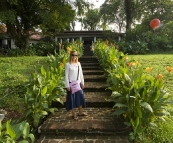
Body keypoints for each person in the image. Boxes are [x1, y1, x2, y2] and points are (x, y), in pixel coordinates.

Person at [65, 50, 88, 120]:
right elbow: (66, 76)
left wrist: (82, 82)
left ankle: (80, 112)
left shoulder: (78, 64)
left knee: (80, 97)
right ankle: (73, 114)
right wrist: (67, 86)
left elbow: (81, 74)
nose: (74, 56)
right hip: (71, 84)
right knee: (72, 99)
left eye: (76, 55)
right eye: (73, 55)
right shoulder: (68, 64)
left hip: (78, 83)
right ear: (70, 56)